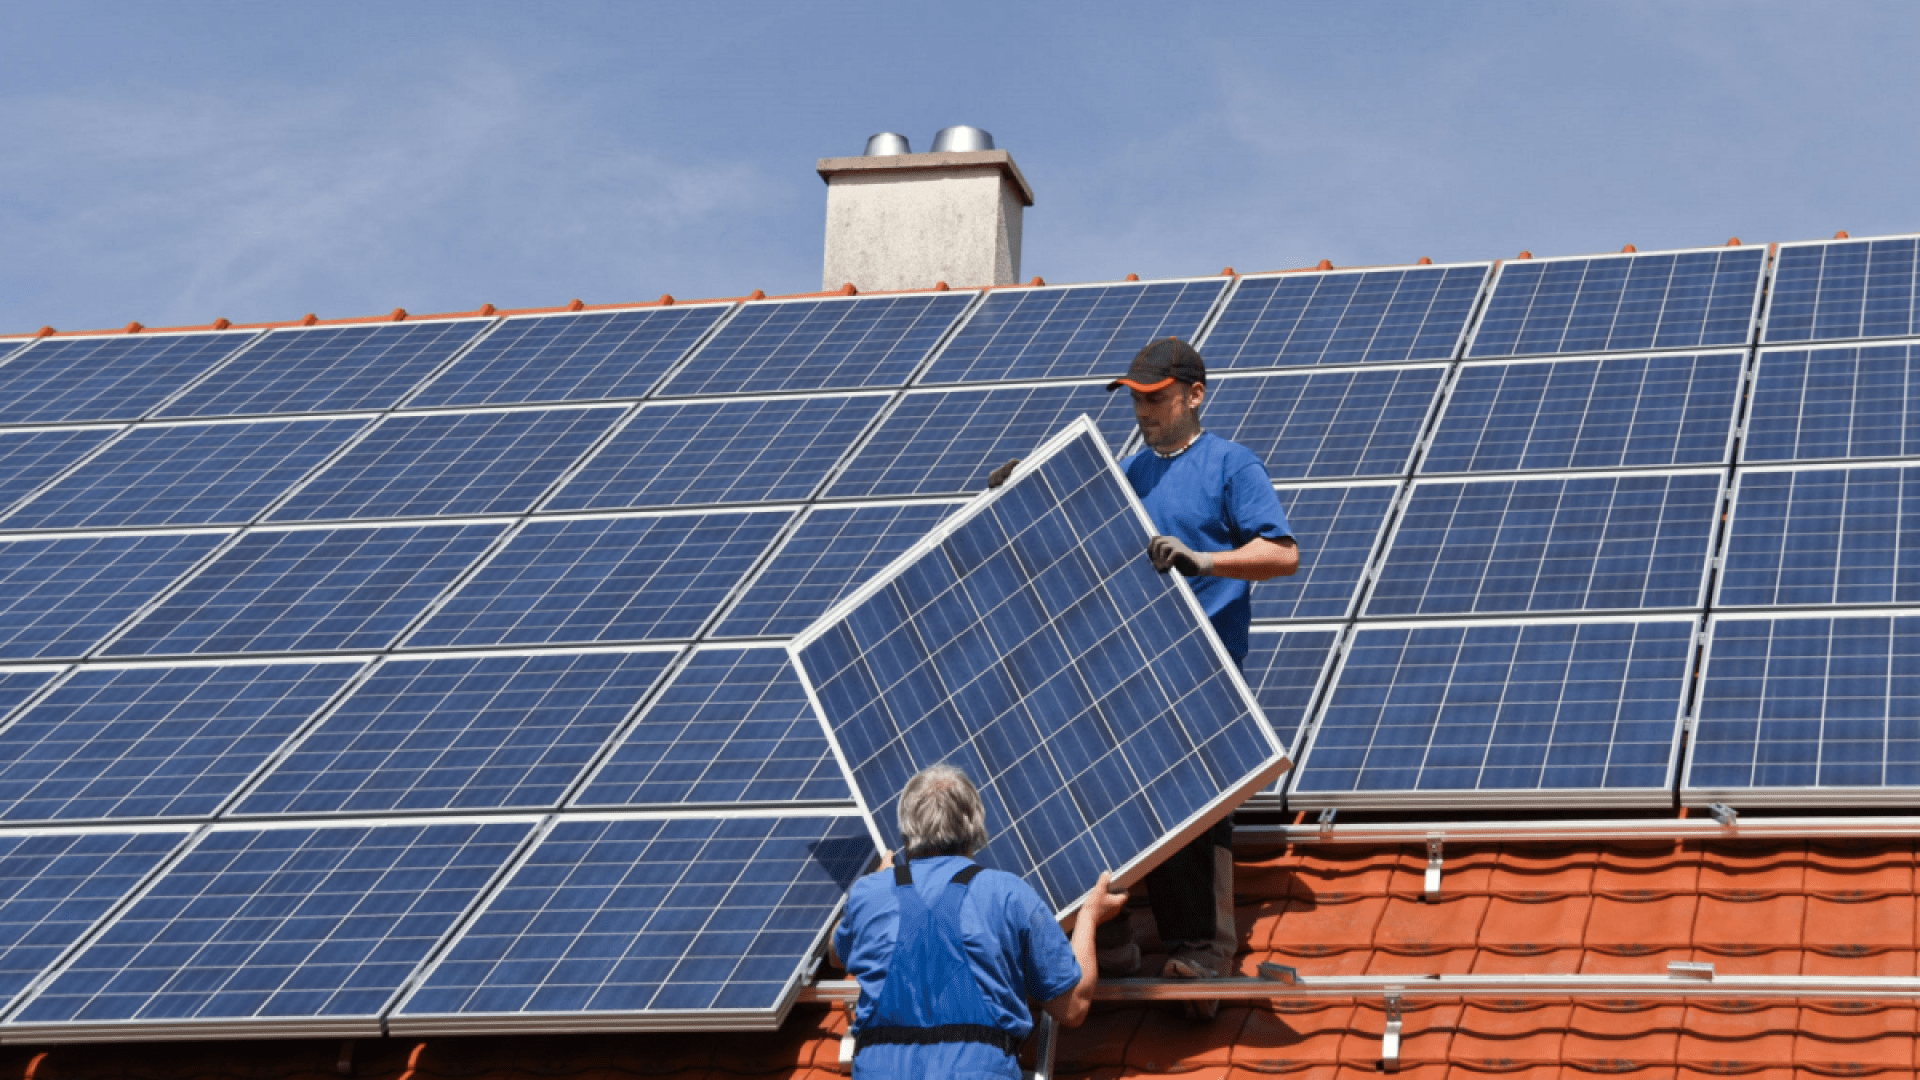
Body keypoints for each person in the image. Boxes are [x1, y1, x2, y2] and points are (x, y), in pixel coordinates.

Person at [988, 336, 1298, 1017]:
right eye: (1136, 400)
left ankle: (1202, 953)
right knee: (1108, 795)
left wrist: (1204, 562)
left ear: (1194, 394)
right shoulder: (1128, 472)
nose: (1144, 411)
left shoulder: (1230, 465)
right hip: (1128, 668)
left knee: (1195, 804)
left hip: (1202, 668)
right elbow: (1079, 534)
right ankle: (1118, 936)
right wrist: (1026, 493)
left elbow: (1281, 554)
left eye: (1156, 399)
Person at [832, 764, 1129, 1079]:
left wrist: (873, 890)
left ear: (908, 829)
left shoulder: (871, 893)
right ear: (972, 830)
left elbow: (837, 955)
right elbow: (1072, 1008)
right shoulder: (1007, 893)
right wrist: (1088, 917)